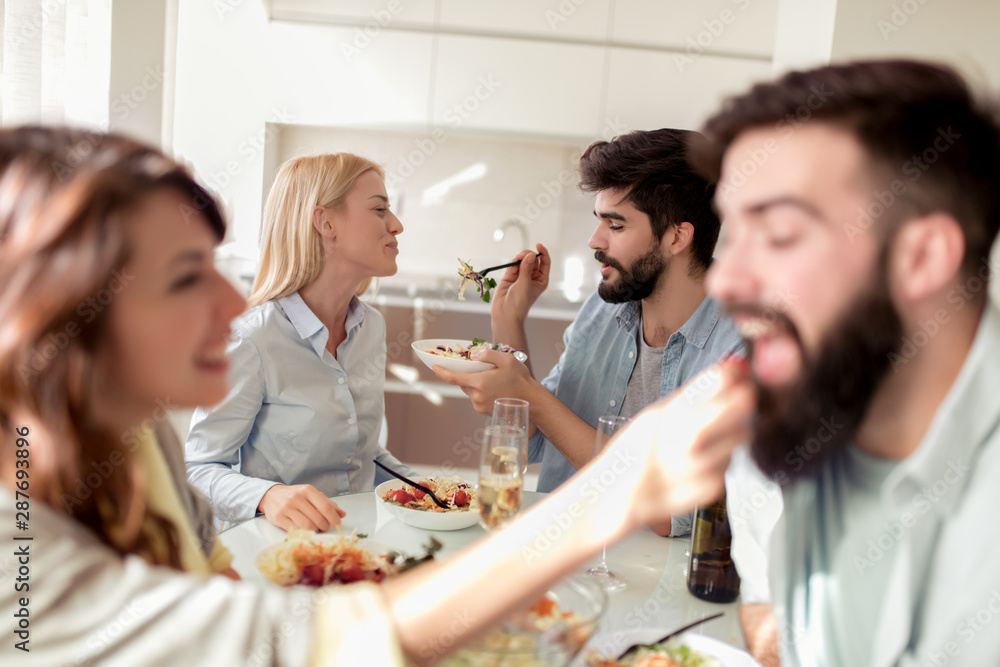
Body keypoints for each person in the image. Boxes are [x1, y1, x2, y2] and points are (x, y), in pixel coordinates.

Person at [0, 126, 755, 666]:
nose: (232, 305)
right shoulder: (16, 549)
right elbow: (294, 645)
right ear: (65, 310)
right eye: (184, 276)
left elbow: (216, 575)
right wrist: (613, 491)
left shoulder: (138, 439)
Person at [693, 59, 1000, 666]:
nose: (723, 281)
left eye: (779, 233)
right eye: (731, 233)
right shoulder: (783, 421)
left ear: (921, 257)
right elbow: (764, 601)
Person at [435, 128, 742, 536]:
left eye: (615, 226)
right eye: (599, 221)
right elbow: (534, 440)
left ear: (676, 237)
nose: (594, 241)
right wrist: (508, 323)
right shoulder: (605, 308)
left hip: (653, 578)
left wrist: (532, 396)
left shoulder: (738, 347)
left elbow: (672, 512)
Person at [185, 153, 416, 532]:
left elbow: (361, 452)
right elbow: (197, 470)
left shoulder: (370, 328)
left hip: (353, 545)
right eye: (379, 210)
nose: (397, 225)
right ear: (326, 222)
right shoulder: (252, 338)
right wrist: (267, 495)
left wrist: (425, 489)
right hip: (270, 556)